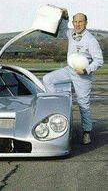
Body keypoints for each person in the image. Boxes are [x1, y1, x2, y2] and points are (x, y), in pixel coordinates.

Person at [43, 12, 103, 145]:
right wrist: (64, 16)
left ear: (86, 23)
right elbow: (62, 30)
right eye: (75, 21)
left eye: (80, 22)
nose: (77, 24)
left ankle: (86, 132)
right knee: (48, 79)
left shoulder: (91, 40)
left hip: (82, 75)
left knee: (83, 104)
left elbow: (99, 61)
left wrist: (85, 70)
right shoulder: (71, 33)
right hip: (69, 70)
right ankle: (56, 109)